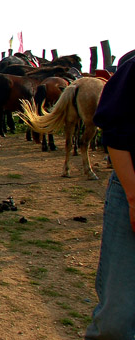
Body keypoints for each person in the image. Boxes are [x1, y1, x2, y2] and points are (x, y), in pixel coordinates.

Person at [85, 57, 135, 339]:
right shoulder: (133, 70)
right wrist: (133, 196)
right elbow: (115, 131)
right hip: (132, 184)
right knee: (118, 317)